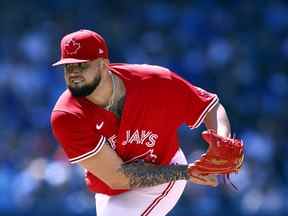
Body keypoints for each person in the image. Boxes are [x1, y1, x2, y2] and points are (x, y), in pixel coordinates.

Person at [50, 29, 232, 216]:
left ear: (104, 64)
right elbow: (117, 177)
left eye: (82, 65)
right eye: (68, 67)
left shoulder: (154, 82)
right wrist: (186, 172)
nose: (73, 74)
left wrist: (222, 140)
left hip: (165, 169)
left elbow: (211, 107)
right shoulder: (67, 115)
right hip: (114, 187)